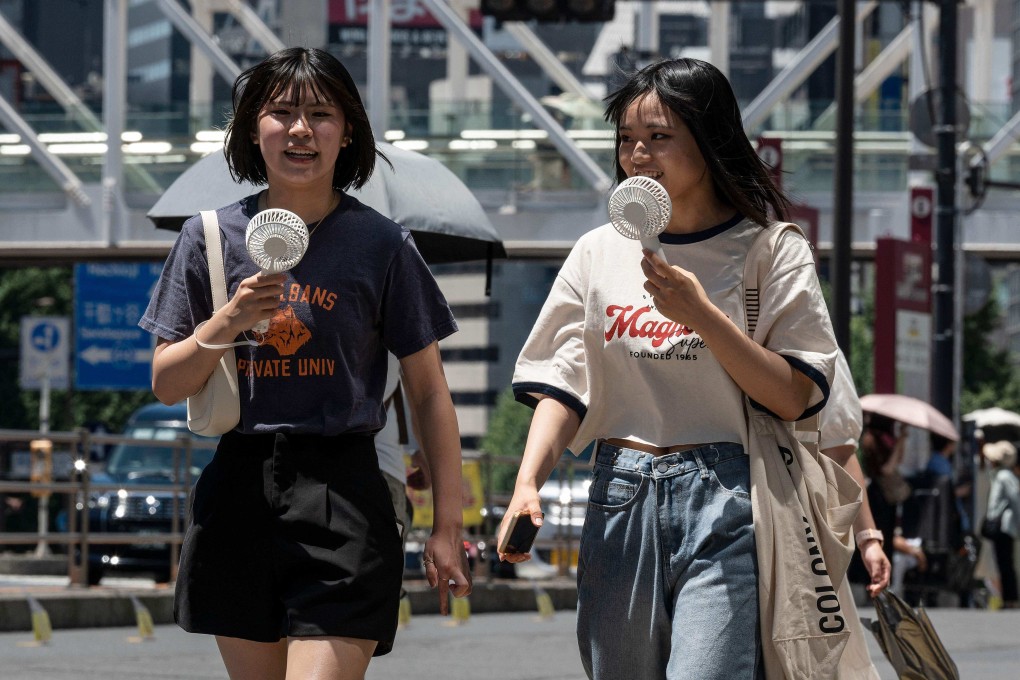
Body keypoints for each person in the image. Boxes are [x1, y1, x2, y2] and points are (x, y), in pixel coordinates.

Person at [499, 57, 840, 679]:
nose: (638, 155)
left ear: (709, 141)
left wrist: (701, 313)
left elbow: (795, 395)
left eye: (659, 137)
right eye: (627, 140)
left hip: (731, 494)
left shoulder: (770, 248)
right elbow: (564, 381)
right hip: (620, 492)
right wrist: (527, 484)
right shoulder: (598, 251)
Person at [138, 47, 470, 680]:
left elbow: (428, 392)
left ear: (347, 133)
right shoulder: (207, 237)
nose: (300, 130)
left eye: (321, 114)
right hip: (237, 490)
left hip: (343, 487)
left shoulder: (382, 244)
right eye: (281, 112)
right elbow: (165, 382)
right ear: (249, 129)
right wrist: (227, 322)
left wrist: (446, 525)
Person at [984, 440, 1020, 608]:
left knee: (1006, 562)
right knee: (1003, 562)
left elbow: (1015, 500)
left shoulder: (1005, 476)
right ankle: (1008, 597)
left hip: (1005, 526)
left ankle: (1010, 599)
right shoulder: (1000, 474)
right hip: (1003, 526)